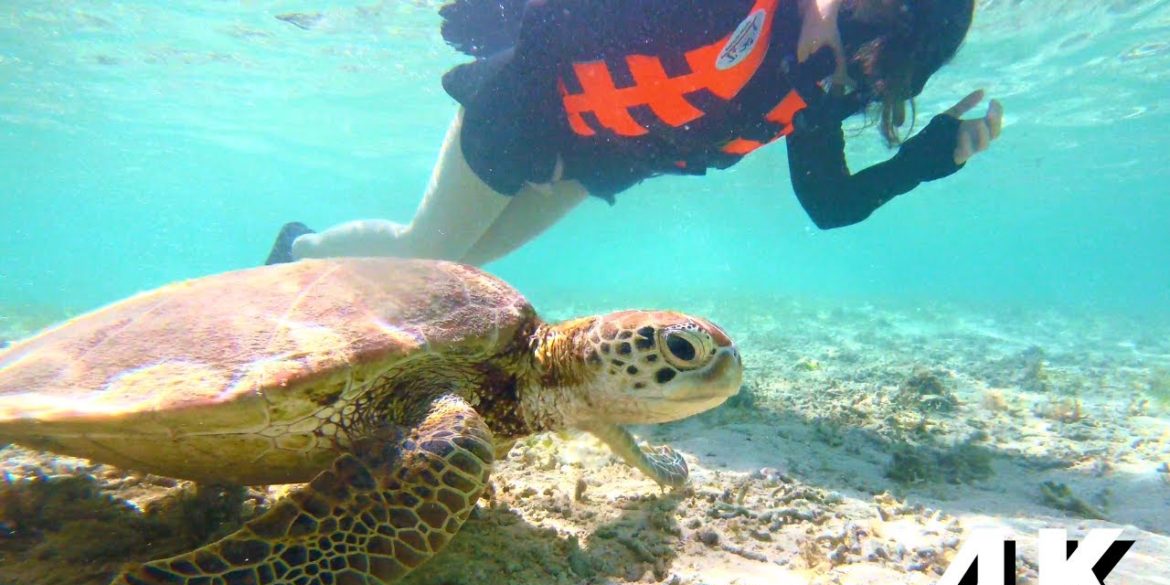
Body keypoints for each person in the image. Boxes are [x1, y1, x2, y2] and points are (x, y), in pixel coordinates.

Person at [265, 0, 1003, 267]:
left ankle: (308, 266)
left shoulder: (818, 94)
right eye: (848, 13)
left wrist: (929, 159)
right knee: (427, 253)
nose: (834, 50)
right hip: (522, 116)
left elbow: (828, 205)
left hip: (589, 165)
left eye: (868, 68)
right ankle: (292, 254)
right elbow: (570, 18)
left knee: (452, 271)